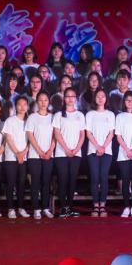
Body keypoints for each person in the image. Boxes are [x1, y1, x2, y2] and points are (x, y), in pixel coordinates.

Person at [52, 88, 86, 218]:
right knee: (63, 179)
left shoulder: (80, 115)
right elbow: (57, 133)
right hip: (61, 153)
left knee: (72, 180)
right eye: (68, 96)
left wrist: (76, 149)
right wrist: (66, 149)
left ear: (75, 98)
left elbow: (82, 134)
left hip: (76, 153)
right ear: (64, 98)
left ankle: (70, 207)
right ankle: (63, 208)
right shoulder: (58, 115)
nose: (70, 99)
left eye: (73, 96)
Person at [25, 91, 56, 219]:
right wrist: (39, 151)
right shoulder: (32, 117)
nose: (43, 103)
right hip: (34, 155)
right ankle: (36, 209)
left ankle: (45, 208)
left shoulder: (53, 117)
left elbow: (55, 136)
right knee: (35, 182)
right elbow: (30, 135)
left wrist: (49, 151)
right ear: (37, 102)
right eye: (41, 100)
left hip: (49, 155)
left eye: (45, 100)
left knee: (46, 182)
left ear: (49, 102)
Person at [85, 88, 115, 217]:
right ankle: (95, 205)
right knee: (94, 177)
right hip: (92, 150)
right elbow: (88, 133)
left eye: (103, 96)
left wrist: (103, 147)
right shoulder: (90, 114)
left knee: (103, 177)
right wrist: (97, 146)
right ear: (95, 98)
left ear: (106, 98)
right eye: (98, 96)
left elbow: (111, 133)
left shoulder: (110, 114)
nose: (100, 98)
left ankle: (102, 205)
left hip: (107, 151)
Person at [3, 97, 30, 219]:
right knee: (10, 183)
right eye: (19, 104)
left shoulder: (29, 121)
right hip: (11, 156)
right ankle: (10, 208)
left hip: (24, 157)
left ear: (27, 106)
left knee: (21, 183)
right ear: (15, 106)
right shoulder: (10, 120)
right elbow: (8, 138)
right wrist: (17, 153)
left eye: (24, 104)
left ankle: (20, 207)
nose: (22, 107)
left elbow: (31, 139)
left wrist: (23, 153)